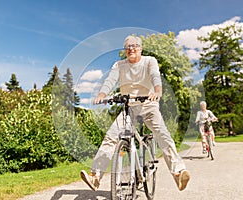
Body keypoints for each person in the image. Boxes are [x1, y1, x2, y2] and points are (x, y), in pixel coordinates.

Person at [80, 35, 190, 192]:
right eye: (127, 46)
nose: (131, 48)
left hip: (149, 104)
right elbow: (110, 81)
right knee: (111, 137)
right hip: (129, 107)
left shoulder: (149, 61)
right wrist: (102, 94)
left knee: (162, 134)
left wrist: (158, 91)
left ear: (141, 48)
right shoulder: (119, 65)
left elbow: (154, 75)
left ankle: (178, 173)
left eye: (135, 45)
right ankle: (95, 177)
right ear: (125, 50)